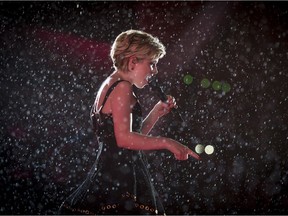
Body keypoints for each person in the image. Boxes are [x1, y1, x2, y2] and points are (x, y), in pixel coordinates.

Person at [59, 29, 200, 215]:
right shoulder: (122, 87)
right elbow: (124, 139)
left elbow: (131, 137)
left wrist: (156, 113)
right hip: (118, 178)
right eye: (152, 64)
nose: (155, 71)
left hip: (112, 174)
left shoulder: (112, 83)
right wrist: (168, 142)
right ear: (133, 61)